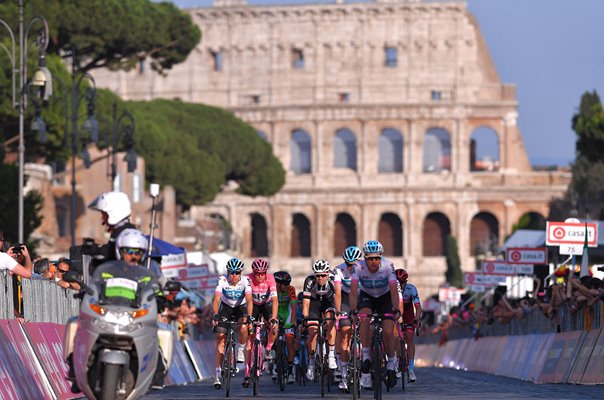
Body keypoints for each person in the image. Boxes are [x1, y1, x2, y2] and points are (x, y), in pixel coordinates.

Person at [349, 240, 401, 390]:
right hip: (367, 296)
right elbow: (353, 291)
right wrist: (353, 309)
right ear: (365, 258)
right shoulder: (358, 267)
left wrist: (396, 308)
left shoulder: (388, 266)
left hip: (385, 297)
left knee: (387, 329)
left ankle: (391, 362)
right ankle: (366, 356)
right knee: (364, 319)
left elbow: (393, 290)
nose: (374, 262)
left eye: (377, 258)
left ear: (381, 258)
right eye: (370, 258)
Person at [211, 258, 253, 390]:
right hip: (226, 308)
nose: (234, 276)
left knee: (244, 326)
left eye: (236, 273)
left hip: (240, 308)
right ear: (228, 272)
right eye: (231, 273)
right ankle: (217, 375)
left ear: (240, 273)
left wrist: (250, 317)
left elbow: (249, 300)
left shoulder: (246, 281)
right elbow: (217, 298)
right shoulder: (222, 280)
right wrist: (215, 314)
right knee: (220, 338)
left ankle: (240, 348)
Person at [302, 259, 341, 381]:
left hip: (328, 302)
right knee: (312, 332)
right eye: (318, 276)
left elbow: (337, 298)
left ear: (328, 274)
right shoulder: (309, 281)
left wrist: (338, 312)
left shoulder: (333, 280)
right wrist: (304, 317)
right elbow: (306, 302)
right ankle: (312, 362)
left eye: (323, 275)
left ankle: (331, 354)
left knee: (331, 322)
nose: (320, 278)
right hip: (314, 303)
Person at [332, 245, 362, 391]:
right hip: (345, 299)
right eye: (348, 265)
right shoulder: (339, 270)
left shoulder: (364, 269)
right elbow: (337, 293)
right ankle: (343, 374)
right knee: (344, 332)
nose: (351, 268)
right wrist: (338, 312)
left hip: (362, 298)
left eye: (353, 264)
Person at [86, 191, 136, 268]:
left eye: (104, 214)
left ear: (113, 212)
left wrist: (94, 249)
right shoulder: (124, 229)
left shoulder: (125, 232)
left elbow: (110, 253)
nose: (102, 218)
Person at [246, 259, 278, 364]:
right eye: (257, 274)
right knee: (248, 326)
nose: (260, 276)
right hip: (254, 304)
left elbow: (274, 300)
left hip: (266, 304)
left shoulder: (270, 278)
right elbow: (248, 300)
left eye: (263, 273)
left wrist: (273, 318)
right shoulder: (248, 279)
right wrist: (249, 318)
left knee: (275, 326)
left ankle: (268, 348)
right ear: (253, 272)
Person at [395, 268, 422, 382]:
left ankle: (411, 370)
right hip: (396, 313)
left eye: (402, 283)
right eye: (398, 282)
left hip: (409, 314)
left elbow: (418, 307)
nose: (401, 285)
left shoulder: (412, 289)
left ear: (406, 281)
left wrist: (416, 319)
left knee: (409, 338)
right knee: (394, 337)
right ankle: (395, 363)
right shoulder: (392, 289)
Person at [274, 270, 298, 384]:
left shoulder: (291, 289)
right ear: (277, 283)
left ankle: (290, 370)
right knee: (272, 334)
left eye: (288, 283)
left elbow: (294, 307)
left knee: (289, 339)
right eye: (285, 284)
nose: (287, 286)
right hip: (276, 314)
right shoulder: (272, 289)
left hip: (287, 314)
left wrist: (293, 321)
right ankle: (275, 361)